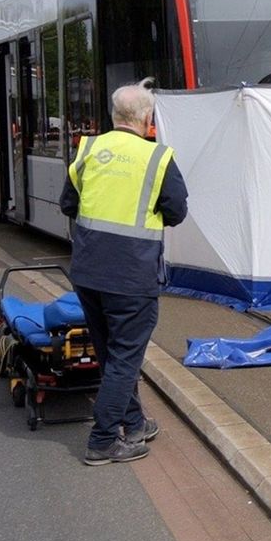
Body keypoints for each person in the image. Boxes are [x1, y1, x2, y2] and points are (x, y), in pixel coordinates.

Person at [60, 83, 189, 465]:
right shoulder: (157, 159)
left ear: (113, 114)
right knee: (125, 359)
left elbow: (69, 203)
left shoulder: (88, 149)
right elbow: (177, 212)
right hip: (132, 275)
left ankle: (134, 423)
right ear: (147, 119)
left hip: (87, 272)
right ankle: (102, 441)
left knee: (111, 353)